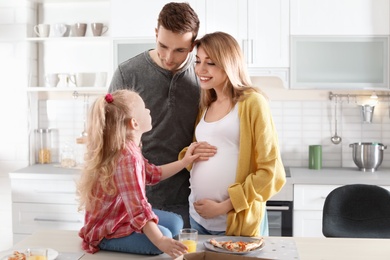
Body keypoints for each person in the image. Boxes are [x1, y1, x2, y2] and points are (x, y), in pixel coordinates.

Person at [108, 2, 215, 228]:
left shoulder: (204, 79)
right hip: (137, 198)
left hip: (188, 200)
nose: (168, 57)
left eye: (179, 50)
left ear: (193, 45)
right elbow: (110, 139)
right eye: (163, 45)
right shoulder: (128, 74)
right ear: (156, 34)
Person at [180, 31, 286, 237]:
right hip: (197, 219)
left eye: (210, 63)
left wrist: (224, 206)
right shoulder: (206, 105)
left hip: (233, 223)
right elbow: (200, 153)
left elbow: (272, 172)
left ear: (228, 63)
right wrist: (189, 153)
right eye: (198, 61)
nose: (200, 69)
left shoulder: (252, 102)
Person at [77, 90, 200, 258]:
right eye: (145, 108)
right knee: (163, 236)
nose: (149, 110)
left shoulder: (129, 147)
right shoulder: (127, 156)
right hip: (106, 229)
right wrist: (161, 241)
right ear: (134, 123)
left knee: (175, 223)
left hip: (122, 216)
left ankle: (149, 234)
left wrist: (184, 162)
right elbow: (139, 209)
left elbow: (152, 174)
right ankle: (107, 241)